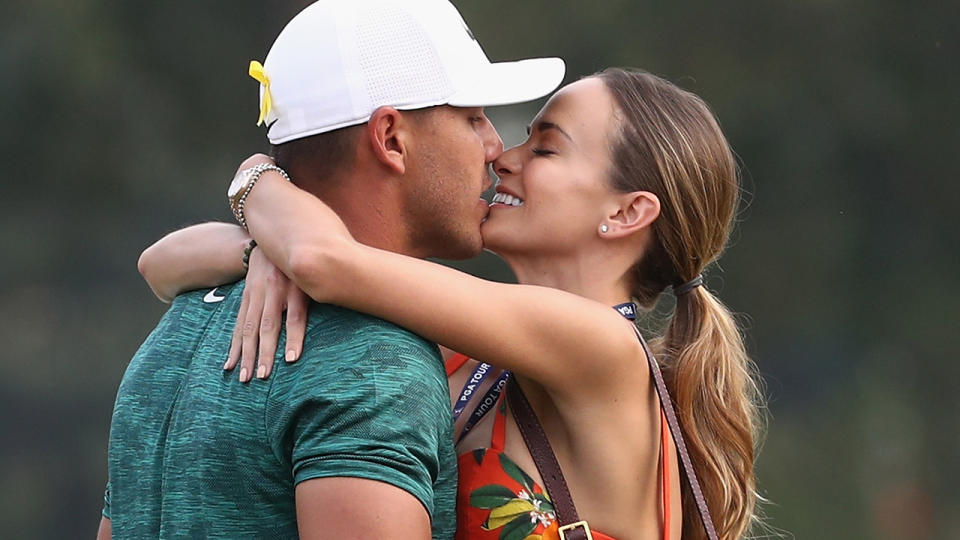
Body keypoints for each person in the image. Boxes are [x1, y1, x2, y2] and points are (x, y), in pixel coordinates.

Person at [142, 69, 765, 539]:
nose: (504, 157)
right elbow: (162, 263)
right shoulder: (468, 358)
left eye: (544, 149)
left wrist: (257, 175)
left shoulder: (601, 347)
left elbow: (327, 262)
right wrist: (263, 252)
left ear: (627, 212)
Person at [98, 0, 564, 538]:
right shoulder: (375, 362)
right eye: (473, 118)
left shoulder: (178, 328)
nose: (493, 147)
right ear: (390, 138)